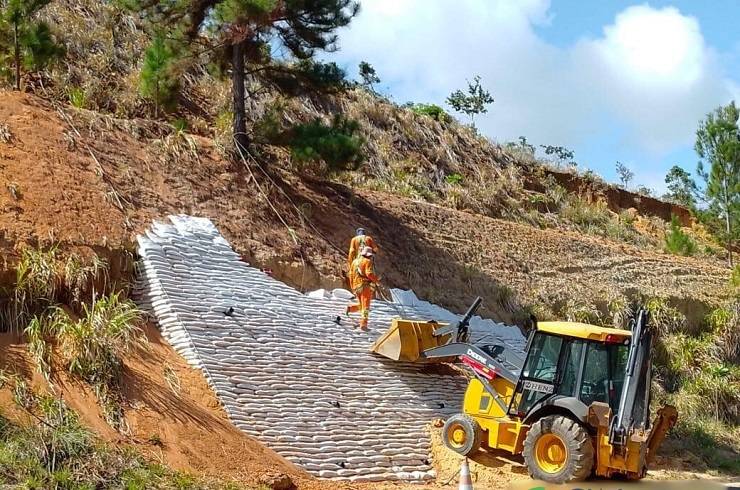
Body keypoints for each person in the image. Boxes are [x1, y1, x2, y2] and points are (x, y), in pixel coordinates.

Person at [346, 246, 380, 330]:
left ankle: (350, 309)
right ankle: (363, 324)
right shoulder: (367, 261)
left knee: (362, 305)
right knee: (366, 306)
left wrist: (352, 287)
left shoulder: (354, 262)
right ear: (369, 255)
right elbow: (368, 273)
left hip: (356, 286)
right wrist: (376, 280)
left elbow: (350, 275)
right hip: (365, 286)